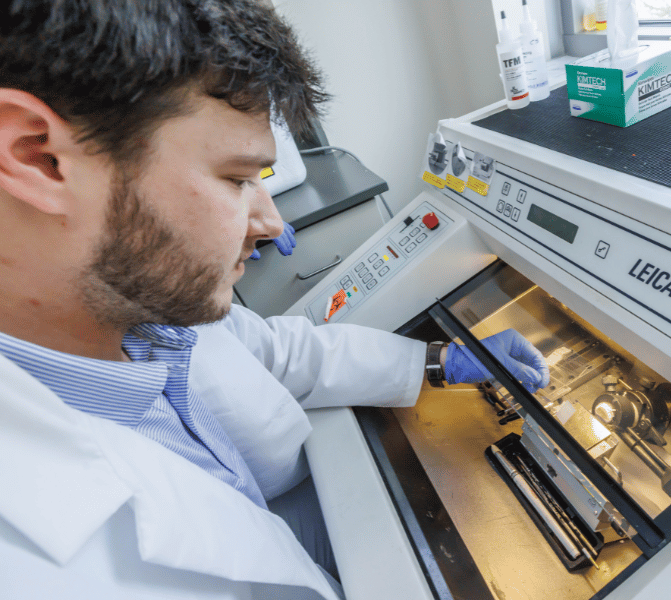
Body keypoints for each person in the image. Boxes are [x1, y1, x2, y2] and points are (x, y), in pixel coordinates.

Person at [0, 2, 550, 599]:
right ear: (40, 157)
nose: (269, 221)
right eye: (237, 180)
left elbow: (274, 348)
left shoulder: (141, 312)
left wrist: (433, 361)